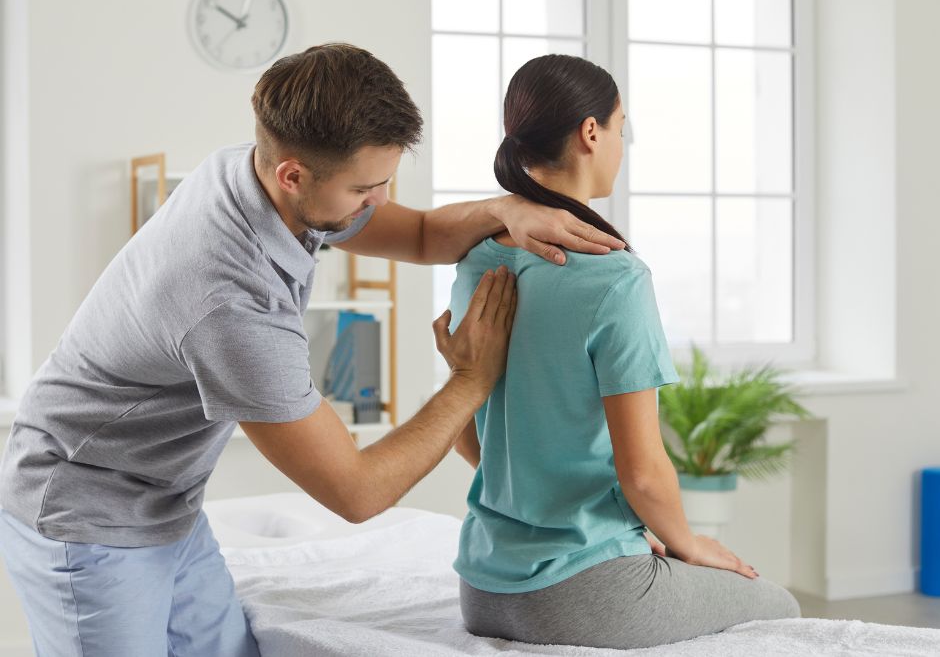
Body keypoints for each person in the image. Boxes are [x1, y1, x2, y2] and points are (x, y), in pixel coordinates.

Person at [0, 43, 628, 657]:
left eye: (384, 180)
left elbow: (417, 233)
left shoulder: (250, 172)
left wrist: (507, 210)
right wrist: (470, 379)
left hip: (166, 501)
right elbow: (356, 494)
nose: (377, 201)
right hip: (85, 512)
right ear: (293, 175)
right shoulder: (229, 304)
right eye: (364, 189)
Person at [448, 54, 801, 650]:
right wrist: (689, 543)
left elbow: (471, 440)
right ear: (591, 132)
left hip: (482, 590)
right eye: (620, 127)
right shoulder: (614, 277)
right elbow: (641, 470)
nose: (620, 143)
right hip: (583, 595)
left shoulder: (476, 260)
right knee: (781, 606)